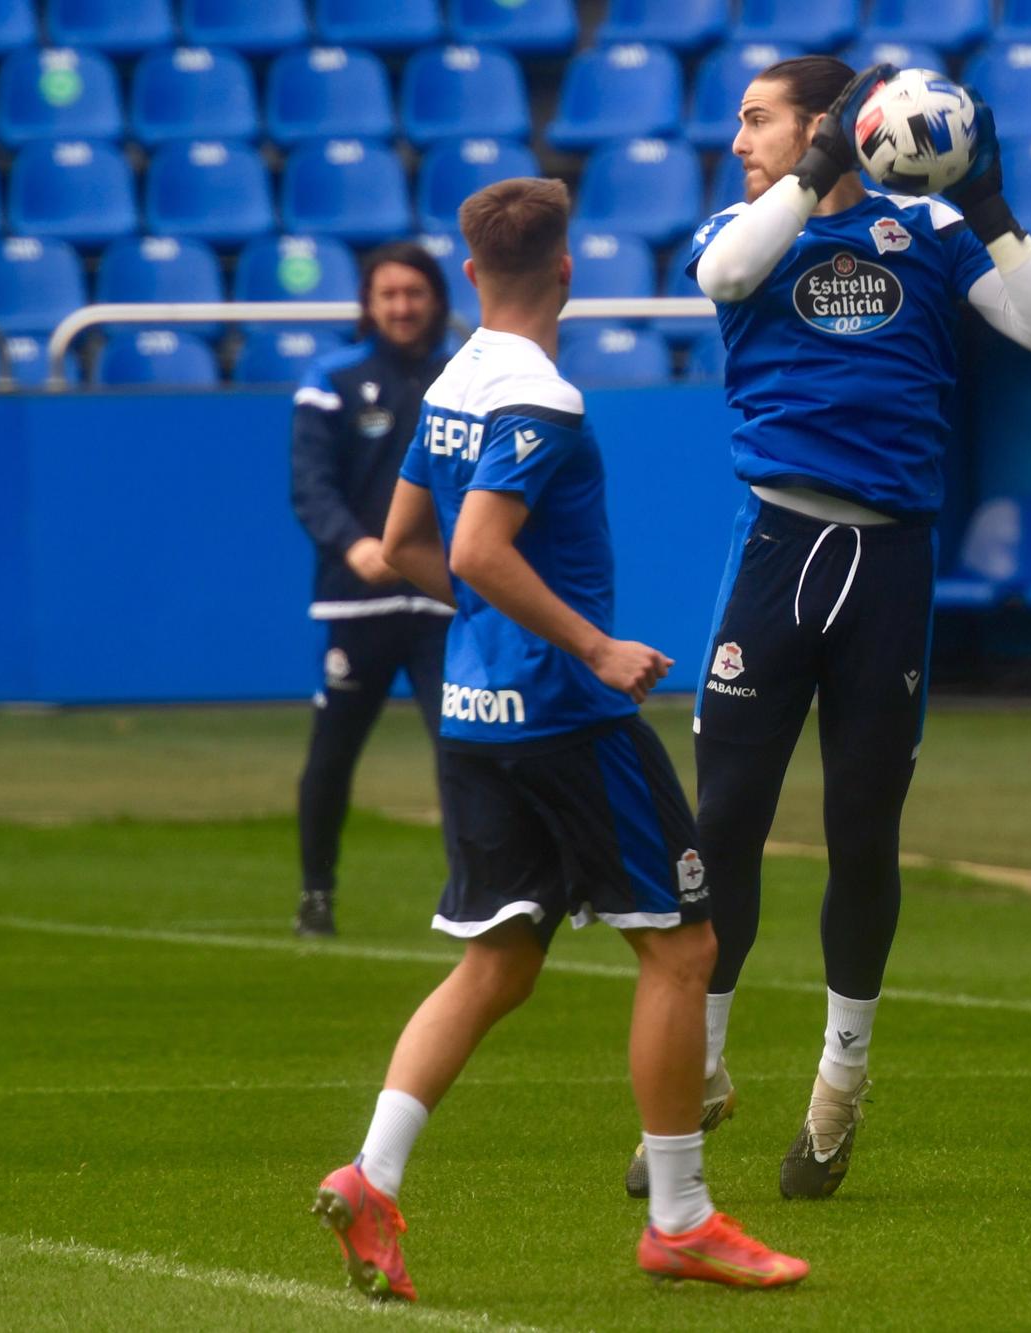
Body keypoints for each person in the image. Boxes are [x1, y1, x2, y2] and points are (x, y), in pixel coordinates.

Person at [310, 177, 808, 1302]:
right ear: (569, 272)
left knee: (499, 959)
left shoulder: (451, 379)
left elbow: (401, 545)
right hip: (565, 717)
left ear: (471, 274)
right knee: (681, 948)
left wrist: (496, 628)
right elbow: (481, 549)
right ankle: (678, 1218)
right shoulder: (540, 397)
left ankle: (374, 1173)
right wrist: (590, 646)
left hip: (473, 715)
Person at [622, 57, 1031, 1201]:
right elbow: (726, 272)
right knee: (721, 820)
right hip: (775, 551)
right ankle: (708, 1067)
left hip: (887, 563)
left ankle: (838, 1088)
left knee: (861, 828)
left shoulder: (926, 231)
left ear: (823, 120)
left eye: (757, 119)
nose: (738, 140)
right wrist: (820, 162)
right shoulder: (743, 229)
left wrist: (984, 198)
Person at [288, 243, 455, 937]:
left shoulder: (465, 375)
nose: (402, 306)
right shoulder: (331, 378)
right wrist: (356, 545)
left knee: (462, 749)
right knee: (331, 754)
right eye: (388, 294)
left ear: (436, 299)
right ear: (368, 302)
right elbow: (310, 484)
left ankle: (472, 893)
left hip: (445, 600)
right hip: (359, 600)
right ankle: (316, 892)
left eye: (414, 293)